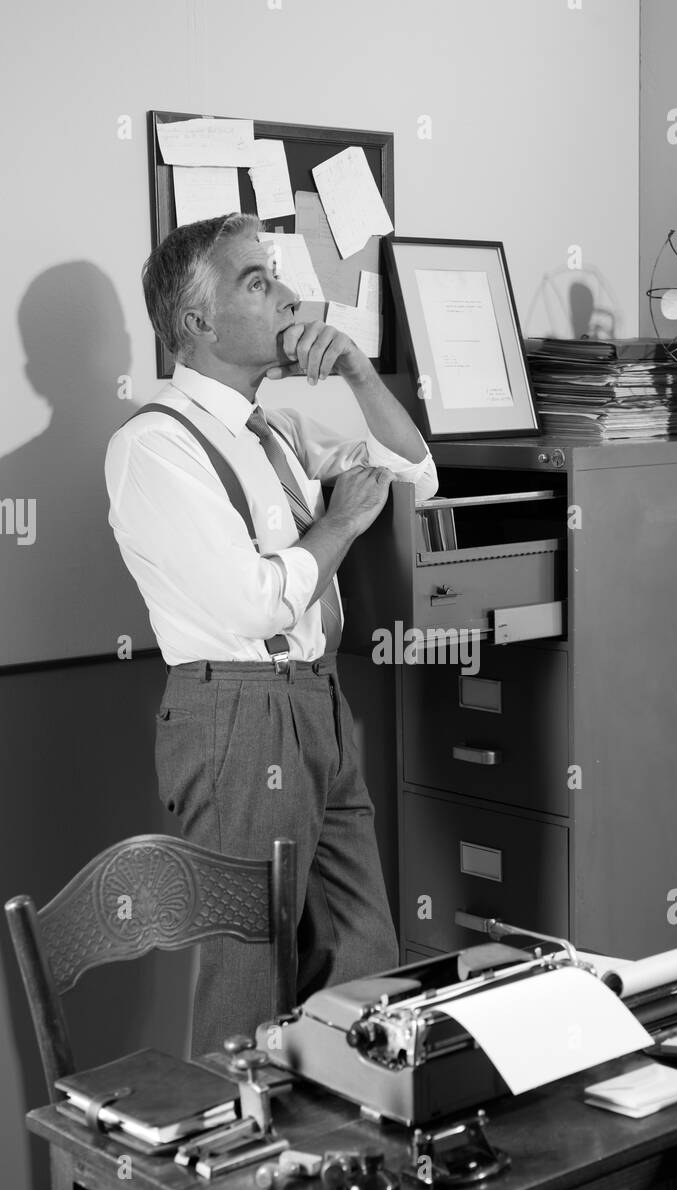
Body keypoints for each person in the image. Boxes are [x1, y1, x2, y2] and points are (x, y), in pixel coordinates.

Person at [105, 211, 438, 1054]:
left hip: (317, 701)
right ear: (198, 323)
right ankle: (233, 1173)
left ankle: (337, 1164)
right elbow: (254, 604)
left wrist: (361, 376)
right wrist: (341, 528)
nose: (289, 297)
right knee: (249, 975)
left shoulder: (277, 430)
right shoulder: (154, 446)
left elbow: (415, 474)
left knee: (366, 960)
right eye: (258, 281)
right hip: (235, 713)